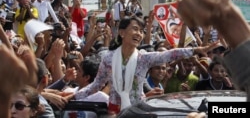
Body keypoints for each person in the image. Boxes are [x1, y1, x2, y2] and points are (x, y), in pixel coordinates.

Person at [72, 16, 216, 114]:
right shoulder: (108, 58)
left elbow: (169, 54)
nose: (139, 34)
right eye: (135, 29)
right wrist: (72, 97)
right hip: (114, 111)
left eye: (141, 31)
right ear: (122, 32)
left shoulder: (143, 58)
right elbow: (96, 85)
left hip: (139, 111)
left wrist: (196, 50)